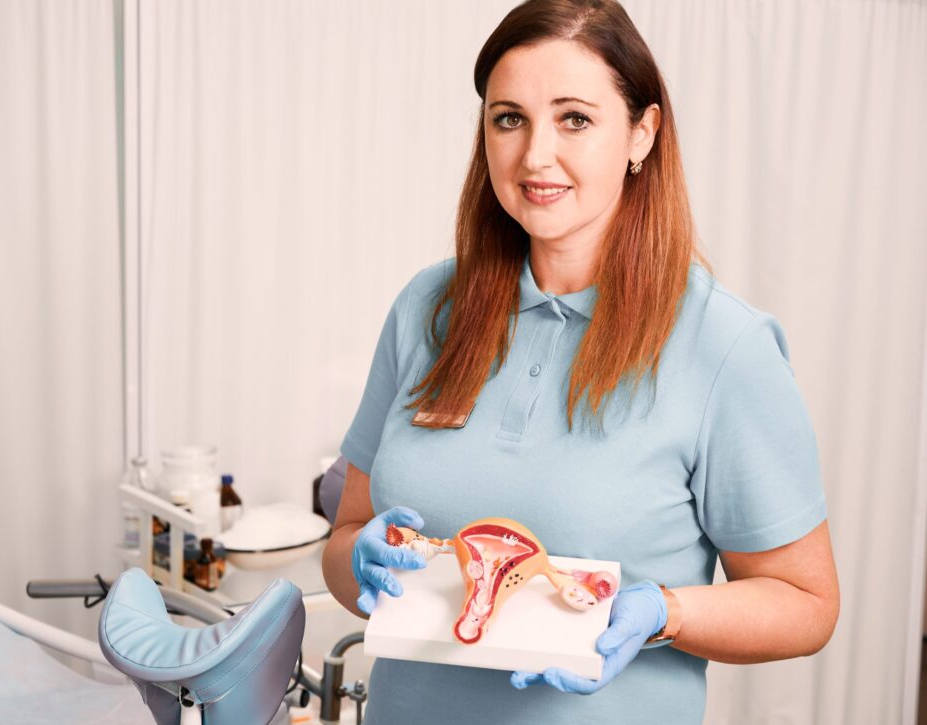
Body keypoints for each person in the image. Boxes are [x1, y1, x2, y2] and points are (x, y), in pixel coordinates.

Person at [321, 0, 840, 722]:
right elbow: (345, 540)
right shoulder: (427, 309)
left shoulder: (724, 346)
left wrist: (666, 611)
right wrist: (358, 561)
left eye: (574, 118)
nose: (535, 155)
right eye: (509, 118)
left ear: (641, 133)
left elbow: (806, 603)